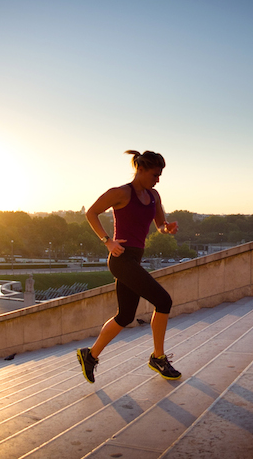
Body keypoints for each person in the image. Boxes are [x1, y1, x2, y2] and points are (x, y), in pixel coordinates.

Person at [77, 150, 181, 383]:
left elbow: (160, 225)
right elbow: (91, 213)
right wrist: (107, 241)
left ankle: (90, 356)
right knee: (163, 301)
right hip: (121, 259)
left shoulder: (154, 196)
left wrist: (168, 229)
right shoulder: (121, 193)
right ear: (140, 170)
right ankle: (158, 357)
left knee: (125, 316)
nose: (158, 179)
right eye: (155, 174)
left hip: (135, 259)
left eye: (160, 175)